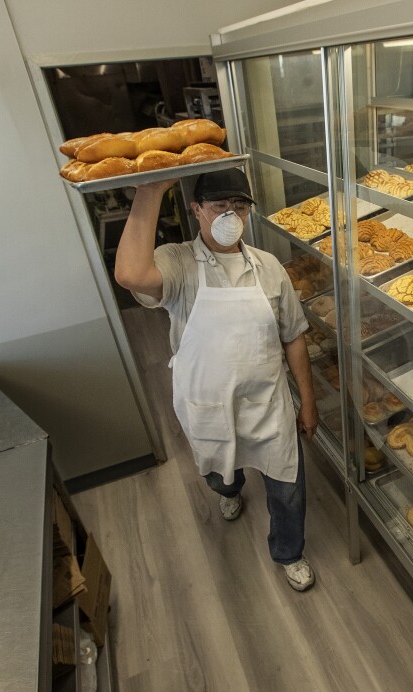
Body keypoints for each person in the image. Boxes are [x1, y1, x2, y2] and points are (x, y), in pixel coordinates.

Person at [114, 168, 318, 592]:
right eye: (219, 206)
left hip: (267, 401)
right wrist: (150, 192)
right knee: (221, 472)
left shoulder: (268, 267)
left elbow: (293, 336)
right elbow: (131, 275)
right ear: (196, 210)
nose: (231, 215)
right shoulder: (178, 262)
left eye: (239, 206)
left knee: (288, 485)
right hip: (209, 401)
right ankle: (229, 490)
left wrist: (308, 401)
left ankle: (289, 552)